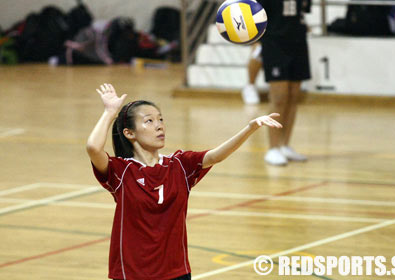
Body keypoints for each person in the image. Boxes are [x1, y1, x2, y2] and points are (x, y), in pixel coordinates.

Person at [86, 83, 282, 280]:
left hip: (176, 271)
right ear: (129, 133)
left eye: (161, 119)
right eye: (149, 121)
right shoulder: (120, 171)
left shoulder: (179, 164)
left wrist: (250, 127)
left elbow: (215, 156)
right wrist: (110, 112)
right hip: (132, 273)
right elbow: (93, 148)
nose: (159, 125)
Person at [258, 0, 312, 166]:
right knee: (279, 97)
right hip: (274, 43)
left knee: (294, 96)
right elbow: (254, 13)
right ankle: (272, 148)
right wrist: (255, 42)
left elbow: (304, 10)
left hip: (297, 41)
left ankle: (284, 145)